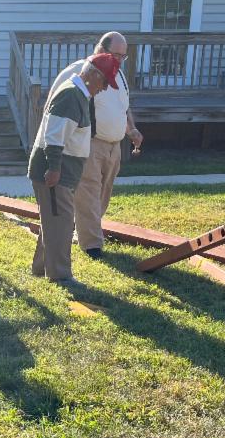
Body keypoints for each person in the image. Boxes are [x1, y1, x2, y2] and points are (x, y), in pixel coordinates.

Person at [26, 52, 120, 286]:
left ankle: (41, 268)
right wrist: (54, 168)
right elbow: (54, 136)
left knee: (53, 221)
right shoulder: (71, 95)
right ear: (93, 75)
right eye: (105, 82)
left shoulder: (78, 93)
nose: (105, 88)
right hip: (55, 172)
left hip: (62, 171)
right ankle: (60, 275)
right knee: (62, 223)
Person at [49, 31, 143, 258]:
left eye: (123, 57)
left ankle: (84, 232)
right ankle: (92, 244)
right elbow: (56, 104)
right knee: (88, 193)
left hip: (114, 146)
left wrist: (131, 130)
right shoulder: (80, 70)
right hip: (90, 143)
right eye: (116, 55)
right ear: (100, 49)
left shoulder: (119, 75)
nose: (119, 61)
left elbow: (123, 107)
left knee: (102, 194)